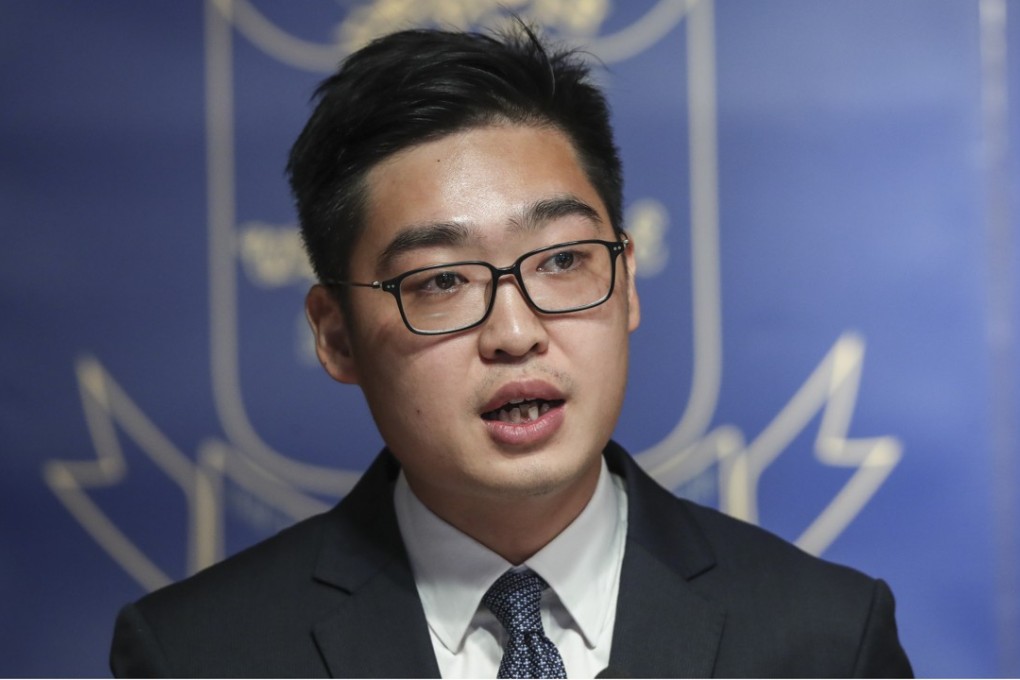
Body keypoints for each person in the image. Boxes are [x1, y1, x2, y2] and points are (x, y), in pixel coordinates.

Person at [110, 21, 913, 678]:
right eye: (441, 281)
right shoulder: (197, 656)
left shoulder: (824, 640)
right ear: (334, 335)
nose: (516, 332)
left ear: (626, 282)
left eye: (563, 261)